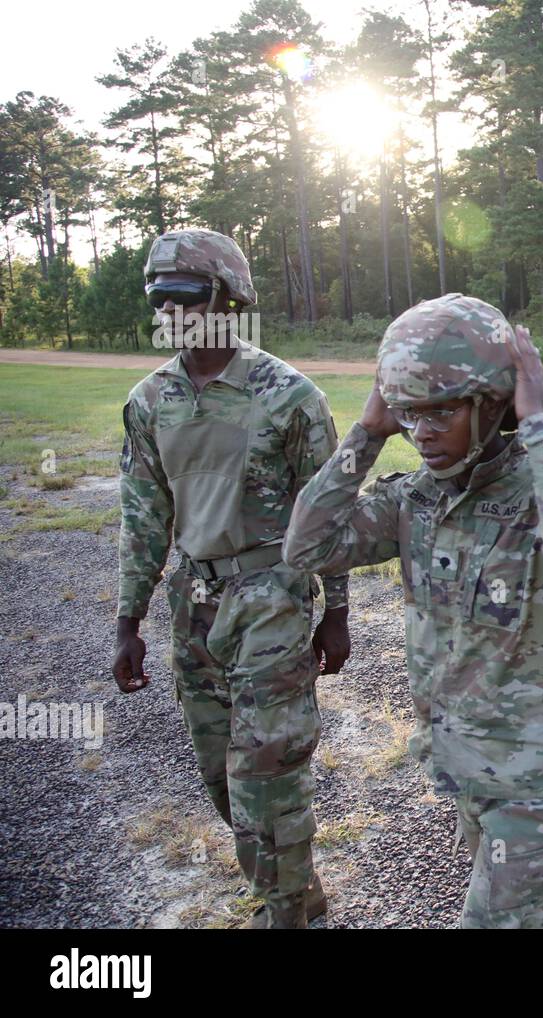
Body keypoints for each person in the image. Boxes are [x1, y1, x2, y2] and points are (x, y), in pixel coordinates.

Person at [283, 295, 543, 927]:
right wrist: (365, 435)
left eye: (444, 409)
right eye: (410, 413)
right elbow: (308, 545)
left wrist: (535, 423)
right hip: (467, 759)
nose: (423, 431)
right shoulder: (416, 498)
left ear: (491, 404)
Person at [112, 228, 351, 929]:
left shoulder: (288, 396)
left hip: (271, 598)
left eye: (185, 294)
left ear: (229, 297)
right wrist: (129, 622)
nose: (170, 309)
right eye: (160, 298)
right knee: (221, 777)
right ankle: (288, 892)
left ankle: (291, 915)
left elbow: (328, 513)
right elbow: (143, 517)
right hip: (194, 606)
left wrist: (336, 612)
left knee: (267, 779)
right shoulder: (150, 401)